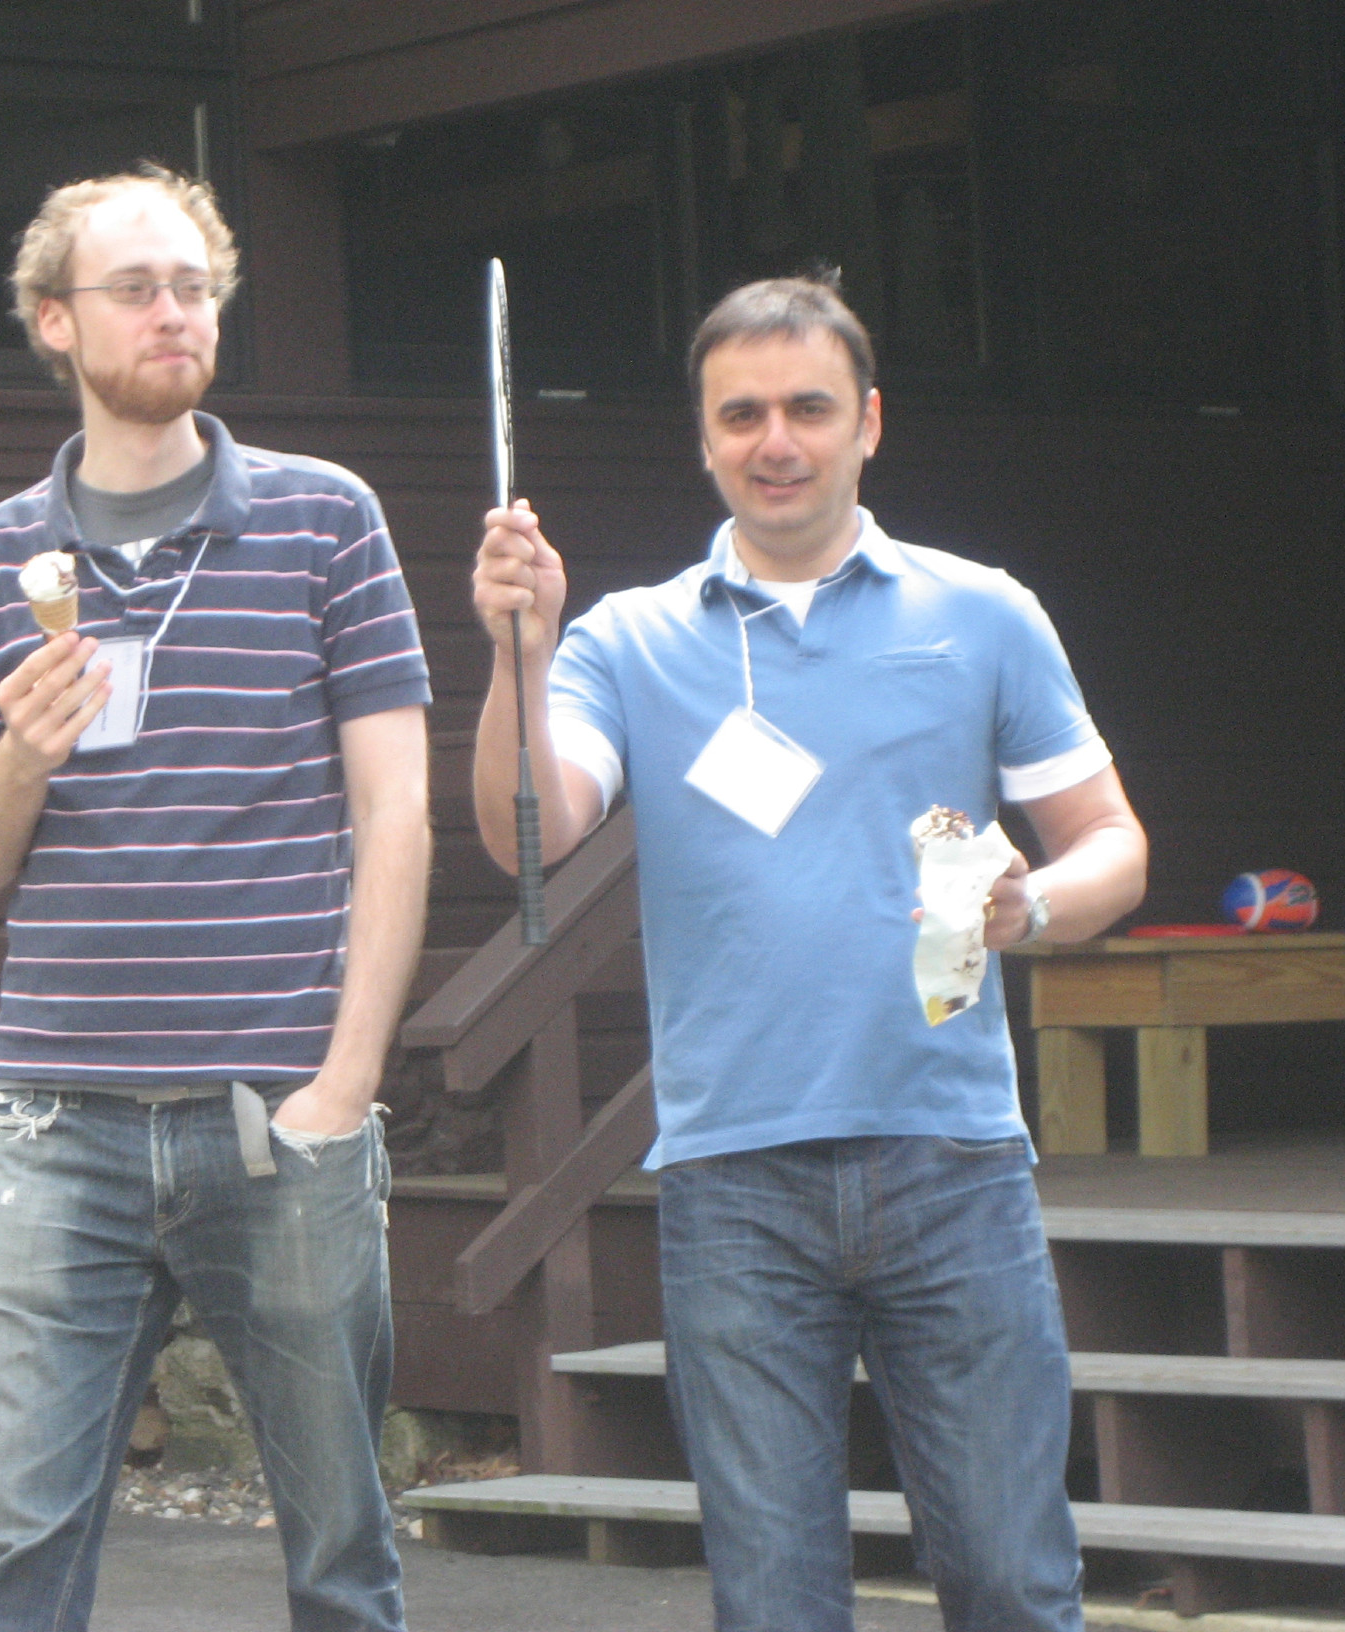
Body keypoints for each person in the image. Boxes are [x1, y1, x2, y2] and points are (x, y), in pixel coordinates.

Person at [469, 274, 1147, 1632]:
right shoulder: (628, 639)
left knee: (1011, 1578)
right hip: (734, 1173)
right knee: (774, 1599)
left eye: (808, 409)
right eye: (742, 415)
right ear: (703, 437)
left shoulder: (983, 612)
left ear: (868, 423)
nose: (775, 441)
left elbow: (1113, 846)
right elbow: (525, 838)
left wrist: (1034, 908)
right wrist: (518, 659)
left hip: (952, 1156)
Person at [0, 166, 431, 1632]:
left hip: (277, 1115)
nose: (173, 313)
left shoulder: (325, 521)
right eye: (135, 289)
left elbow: (396, 814)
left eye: (194, 287)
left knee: (341, 1557)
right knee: (11, 1558)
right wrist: (24, 755)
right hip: (53, 1127)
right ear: (53, 321)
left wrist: (346, 1083)